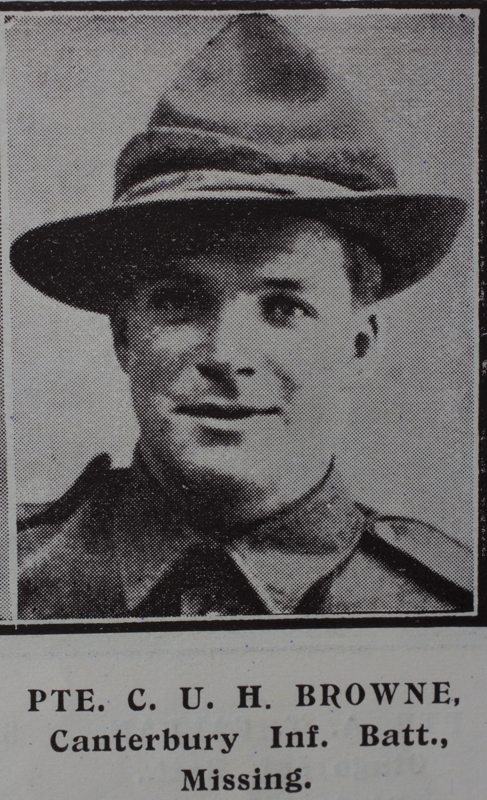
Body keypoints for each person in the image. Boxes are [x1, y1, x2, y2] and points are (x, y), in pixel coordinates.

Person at [12, 13, 473, 619]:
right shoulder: (17, 584)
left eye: (284, 307)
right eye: (179, 301)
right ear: (124, 336)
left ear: (357, 345)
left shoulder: (445, 610)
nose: (227, 355)